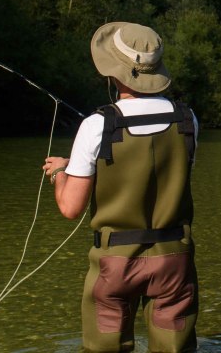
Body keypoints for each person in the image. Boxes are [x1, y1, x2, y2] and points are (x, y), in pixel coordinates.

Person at [43, 22, 200, 353]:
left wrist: (61, 172)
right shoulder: (188, 120)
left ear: (113, 74)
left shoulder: (96, 126)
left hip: (115, 263)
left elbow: (70, 209)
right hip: (175, 259)